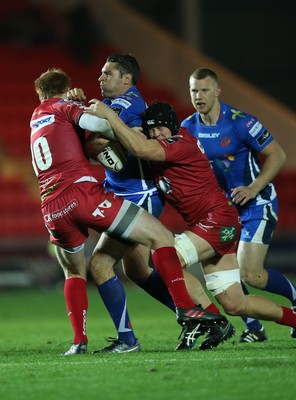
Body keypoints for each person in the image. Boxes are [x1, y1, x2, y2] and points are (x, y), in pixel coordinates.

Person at [30, 68, 224, 355]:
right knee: (151, 249)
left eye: (108, 73)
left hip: (51, 205)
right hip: (86, 195)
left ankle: (85, 341)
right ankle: (193, 312)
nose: (100, 78)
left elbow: (85, 142)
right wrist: (122, 132)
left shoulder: (35, 118)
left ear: (127, 79)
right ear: (65, 88)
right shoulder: (71, 107)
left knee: (83, 270)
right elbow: (97, 129)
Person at [84, 99, 296, 348]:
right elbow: (125, 149)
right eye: (151, 129)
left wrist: (109, 114)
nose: (156, 133)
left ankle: (199, 315)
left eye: (160, 128)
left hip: (216, 220)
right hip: (213, 224)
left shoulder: (179, 142)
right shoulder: (163, 145)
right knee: (235, 303)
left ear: (172, 126)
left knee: (166, 256)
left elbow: (141, 149)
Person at [181, 67, 296, 343]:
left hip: (257, 204)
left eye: (205, 90)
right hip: (223, 211)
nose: (199, 96)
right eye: (194, 90)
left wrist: (254, 188)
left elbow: (277, 155)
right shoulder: (187, 128)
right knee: (229, 272)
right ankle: (254, 328)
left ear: (217, 91)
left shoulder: (241, 122)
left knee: (250, 274)